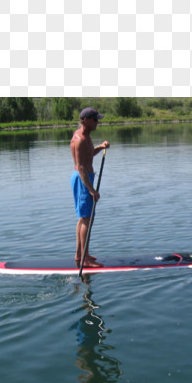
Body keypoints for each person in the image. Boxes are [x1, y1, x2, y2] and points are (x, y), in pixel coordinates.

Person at [71, 107, 110, 268]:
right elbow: (81, 167)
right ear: (86, 120)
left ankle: (80, 254)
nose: (97, 123)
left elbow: (88, 156)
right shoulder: (80, 139)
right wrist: (91, 190)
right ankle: (84, 260)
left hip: (84, 179)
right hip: (83, 179)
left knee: (83, 218)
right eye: (95, 120)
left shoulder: (85, 137)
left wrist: (100, 147)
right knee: (87, 218)